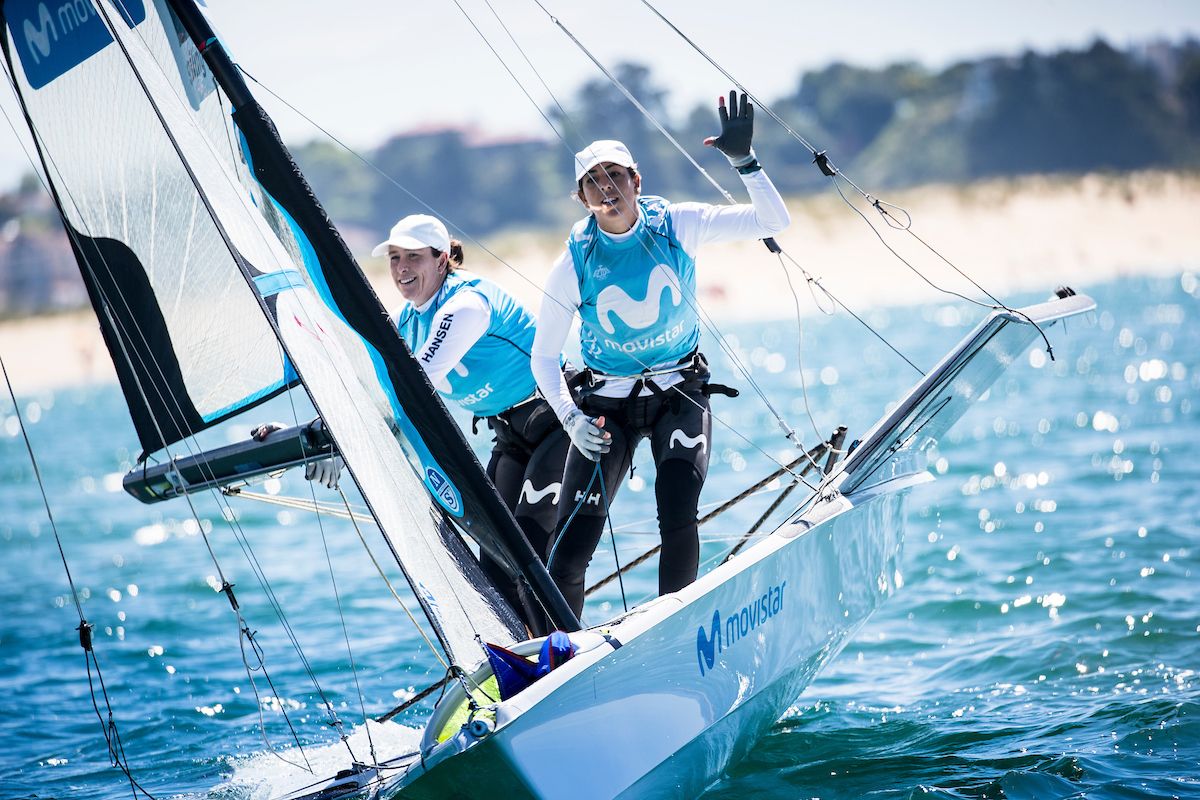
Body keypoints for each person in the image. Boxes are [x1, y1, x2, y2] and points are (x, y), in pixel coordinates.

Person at [530, 91, 790, 617]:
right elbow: (542, 357)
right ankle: (562, 657)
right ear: (581, 199)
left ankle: (673, 627)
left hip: (679, 391)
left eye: (616, 177)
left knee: (677, 514)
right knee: (573, 546)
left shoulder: (677, 224)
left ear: (637, 182)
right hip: (607, 406)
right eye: (593, 183)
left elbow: (773, 221)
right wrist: (571, 419)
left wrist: (745, 162)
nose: (607, 190)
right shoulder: (574, 262)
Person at [259, 214, 570, 632]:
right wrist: (315, 432)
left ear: (442, 260)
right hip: (510, 435)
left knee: (528, 552)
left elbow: (411, 389)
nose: (402, 268)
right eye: (394, 258)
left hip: (557, 422)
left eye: (413, 257)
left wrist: (341, 437)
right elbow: (370, 391)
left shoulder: (466, 304)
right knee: (496, 563)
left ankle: (567, 650)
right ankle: (532, 663)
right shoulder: (408, 323)